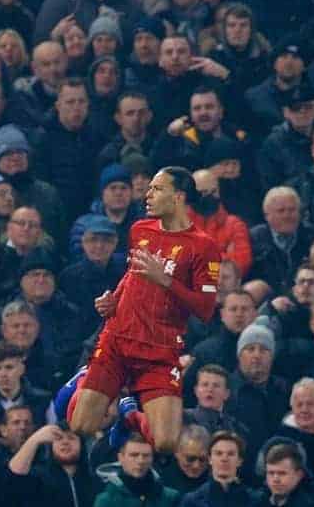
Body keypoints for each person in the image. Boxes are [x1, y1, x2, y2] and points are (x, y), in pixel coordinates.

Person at [68, 167, 221, 454]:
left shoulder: (204, 247)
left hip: (159, 348)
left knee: (165, 443)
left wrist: (164, 280)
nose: (147, 195)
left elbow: (206, 309)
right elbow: (132, 274)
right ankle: (83, 379)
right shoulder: (139, 229)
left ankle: (129, 414)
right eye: (149, 188)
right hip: (119, 337)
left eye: (157, 189)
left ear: (178, 197)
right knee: (80, 426)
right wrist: (113, 298)